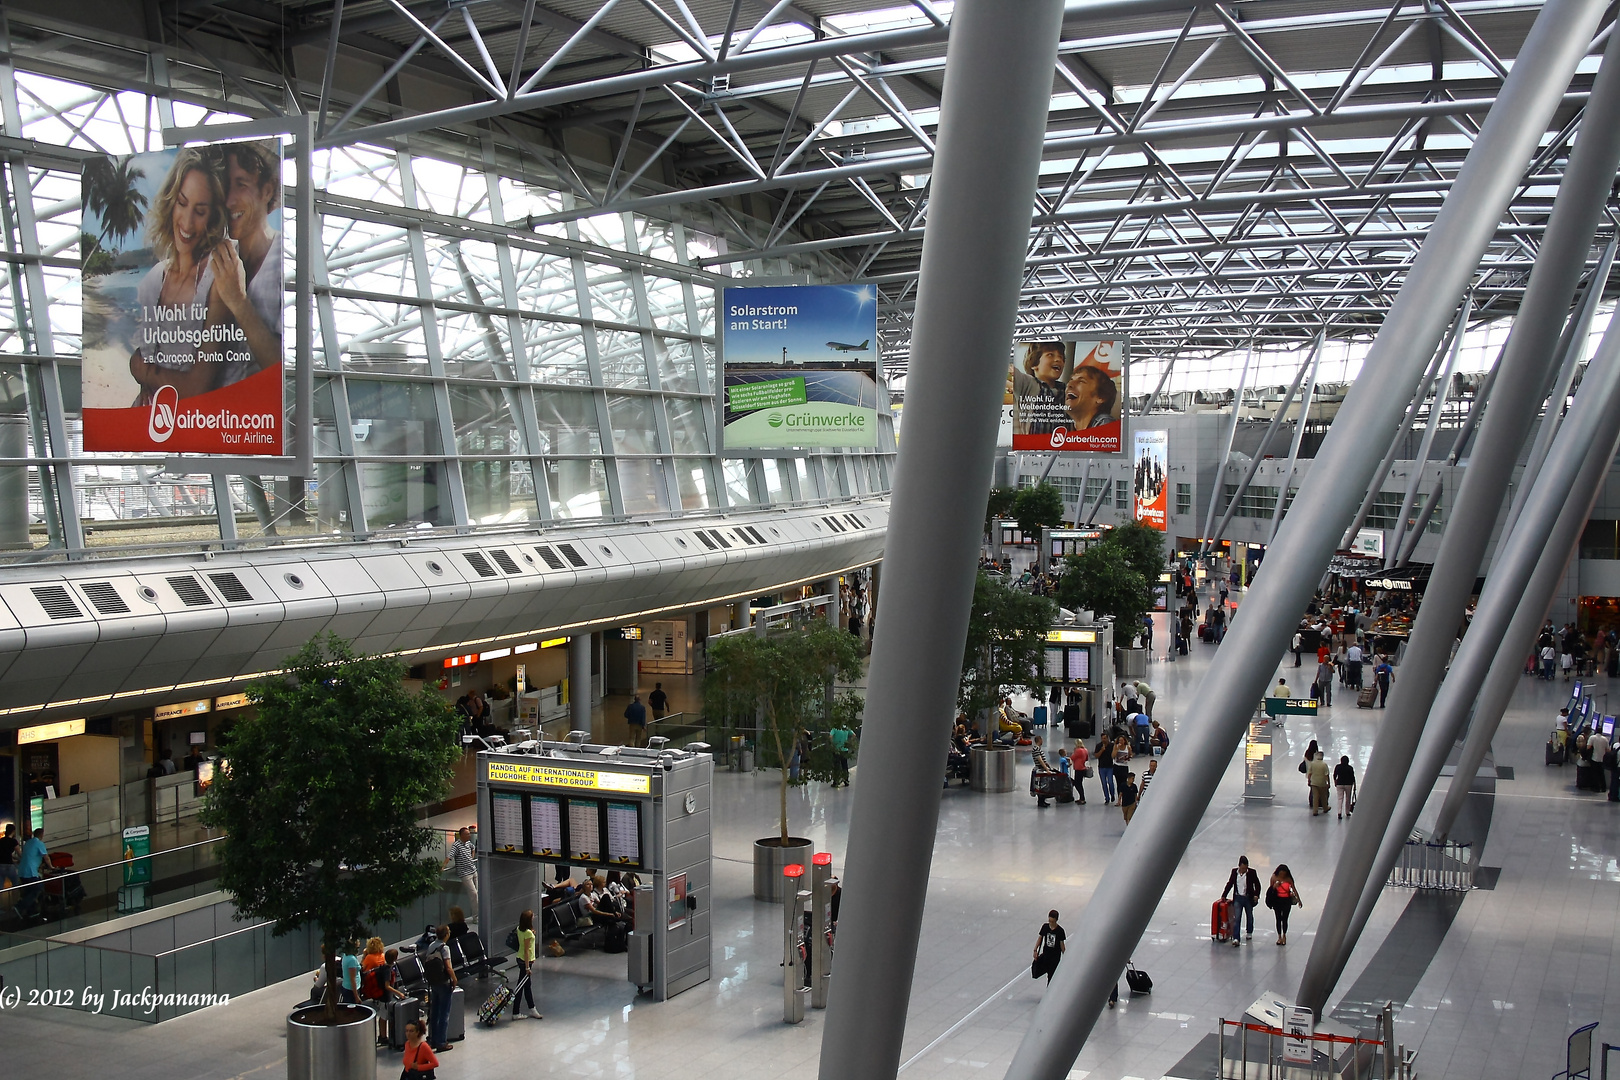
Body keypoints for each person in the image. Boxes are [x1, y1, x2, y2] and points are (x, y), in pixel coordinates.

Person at [128, 146, 227, 403]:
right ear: (171, 202)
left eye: (200, 211)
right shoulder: (154, 279)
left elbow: (196, 387)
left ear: (213, 218)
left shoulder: (216, 279)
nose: (187, 222)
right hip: (153, 426)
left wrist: (143, 371)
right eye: (182, 203)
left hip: (197, 430)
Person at [203, 139, 283, 390]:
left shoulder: (283, 260)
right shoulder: (219, 260)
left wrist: (237, 301)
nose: (229, 201)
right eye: (225, 187)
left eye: (241, 184)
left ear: (268, 190)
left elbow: (280, 370)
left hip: (258, 423)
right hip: (216, 419)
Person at [421, 924, 459, 1052]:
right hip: (443, 982)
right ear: (446, 935)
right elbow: (448, 967)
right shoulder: (445, 948)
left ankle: (432, 1038)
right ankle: (441, 1042)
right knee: (444, 1013)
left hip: (433, 982)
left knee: (435, 1011)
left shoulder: (432, 946)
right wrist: (454, 979)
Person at [1063, 364, 1119, 430]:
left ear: (1101, 397)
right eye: (1071, 380)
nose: (1069, 385)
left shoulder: (1105, 424)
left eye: (1081, 381)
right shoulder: (1065, 425)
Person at [1222, 856, 1261, 945]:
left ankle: (1249, 931)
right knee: (1237, 918)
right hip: (1238, 898)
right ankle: (1236, 938)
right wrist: (1224, 894)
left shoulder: (1252, 872)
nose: (1244, 870)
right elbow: (1230, 883)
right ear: (1239, 866)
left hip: (1248, 898)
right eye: (1242, 868)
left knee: (1249, 915)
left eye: (1246, 868)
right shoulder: (1234, 872)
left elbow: (1257, 884)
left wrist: (1256, 895)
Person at [512, 908, 542, 1019]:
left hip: (520, 958)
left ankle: (531, 1008)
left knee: (526, 985)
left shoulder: (519, 929)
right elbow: (526, 950)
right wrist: (527, 967)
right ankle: (517, 1012)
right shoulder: (528, 933)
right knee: (521, 987)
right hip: (525, 961)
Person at [16, 827, 49, 919]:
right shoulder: (39, 843)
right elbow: (46, 857)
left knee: (28, 891)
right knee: (38, 888)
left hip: (22, 871)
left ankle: (31, 911)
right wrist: (51, 866)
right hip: (30, 872)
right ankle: (20, 906)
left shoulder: (28, 843)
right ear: (41, 835)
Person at [443, 826, 479, 909]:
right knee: (474, 894)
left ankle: (479, 913)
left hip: (473, 870)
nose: (469, 836)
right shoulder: (456, 845)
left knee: (477, 893)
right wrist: (443, 866)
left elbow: (473, 848)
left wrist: (471, 857)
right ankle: (476, 916)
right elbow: (449, 856)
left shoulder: (468, 843)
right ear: (462, 835)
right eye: (467, 834)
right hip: (465, 874)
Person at [1267, 865, 1303, 945]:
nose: (1282, 876)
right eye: (1281, 874)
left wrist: (1299, 900)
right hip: (1277, 900)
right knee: (1278, 918)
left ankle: (1284, 935)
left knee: (1285, 919)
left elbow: (1294, 889)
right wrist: (1274, 887)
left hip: (1286, 901)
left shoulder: (1288, 879)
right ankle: (1279, 936)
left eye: (1284, 874)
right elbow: (1270, 890)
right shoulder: (1274, 878)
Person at [1031, 909, 1066, 983]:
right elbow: (1040, 938)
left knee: (1051, 977)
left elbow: (1062, 945)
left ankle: (1049, 989)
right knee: (1038, 969)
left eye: (1052, 922)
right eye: (1049, 921)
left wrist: (1065, 955)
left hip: (1055, 958)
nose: (1051, 923)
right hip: (1046, 955)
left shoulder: (1060, 931)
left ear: (1056, 920)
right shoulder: (1045, 927)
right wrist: (1035, 950)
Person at [1031, 735, 1056, 808]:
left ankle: (1043, 800)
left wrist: (1048, 766)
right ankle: (1040, 801)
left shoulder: (1039, 749)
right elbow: (1040, 760)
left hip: (1043, 768)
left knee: (1044, 785)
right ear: (1039, 740)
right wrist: (1047, 769)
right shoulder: (1036, 749)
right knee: (1041, 786)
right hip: (1040, 769)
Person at [829, 720, 854, 787]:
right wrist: (849, 742)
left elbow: (830, 736)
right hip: (845, 750)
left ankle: (836, 781)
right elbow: (854, 735)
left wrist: (832, 744)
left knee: (836, 766)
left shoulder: (834, 728)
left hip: (836, 750)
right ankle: (846, 780)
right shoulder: (846, 728)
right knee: (844, 766)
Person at [1307, 751, 1331, 816]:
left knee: (1315, 797)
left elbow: (1309, 773)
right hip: (1322, 782)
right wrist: (1328, 783)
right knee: (1323, 796)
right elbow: (1326, 775)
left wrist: (1309, 781)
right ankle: (1325, 808)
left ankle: (1315, 811)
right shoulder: (1324, 764)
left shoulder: (1312, 764)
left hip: (1314, 782)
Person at [1334, 755, 1357, 819]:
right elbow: (1353, 777)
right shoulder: (1350, 768)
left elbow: (1334, 775)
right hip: (1348, 784)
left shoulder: (1338, 767)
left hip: (1340, 784)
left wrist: (1335, 781)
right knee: (1348, 798)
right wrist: (1354, 785)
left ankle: (1339, 812)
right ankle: (1347, 812)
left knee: (1340, 799)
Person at [339, 939, 362, 1005]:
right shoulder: (352, 959)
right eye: (357, 947)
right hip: (351, 990)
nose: (358, 949)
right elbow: (352, 979)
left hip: (346, 987)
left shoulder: (345, 955)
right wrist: (356, 996)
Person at [1094, 735, 1115, 804]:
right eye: (1102, 738)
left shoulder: (1111, 745)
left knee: (1110, 782)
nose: (1104, 740)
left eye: (1105, 738)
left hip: (1110, 767)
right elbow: (1096, 756)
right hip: (1101, 767)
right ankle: (1107, 797)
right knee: (1104, 783)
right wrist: (1101, 750)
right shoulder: (1098, 746)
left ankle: (1112, 794)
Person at [1069, 740, 1089, 804]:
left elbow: (1072, 757)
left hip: (1078, 768)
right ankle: (1081, 798)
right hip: (1083, 768)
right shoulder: (1085, 750)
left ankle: (1082, 798)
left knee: (1078, 784)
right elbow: (1086, 759)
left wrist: (1074, 751)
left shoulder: (1078, 750)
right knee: (1079, 783)